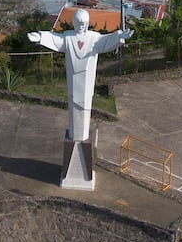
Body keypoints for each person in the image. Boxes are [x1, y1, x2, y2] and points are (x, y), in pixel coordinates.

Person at [28, 8, 132, 142]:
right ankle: (75, 136)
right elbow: (55, 39)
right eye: (79, 23)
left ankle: (83, 137)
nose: (82, 26)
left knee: (85, 105)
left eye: (84, 23)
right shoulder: (68, 37)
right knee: (74, 105)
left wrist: (119, 37)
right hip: (73, 80)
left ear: (88, 23)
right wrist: (40, 37)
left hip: (87, 80)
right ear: (74, 23)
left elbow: (106, 41)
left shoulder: (93, 38)